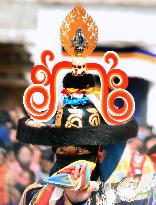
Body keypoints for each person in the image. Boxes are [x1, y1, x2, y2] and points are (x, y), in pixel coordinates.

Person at [16, 4, 156, 205]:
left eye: (81, 152)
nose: (72, 161)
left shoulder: (130, 195)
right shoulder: (35, 196)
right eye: (63, 151)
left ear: (100, 154)